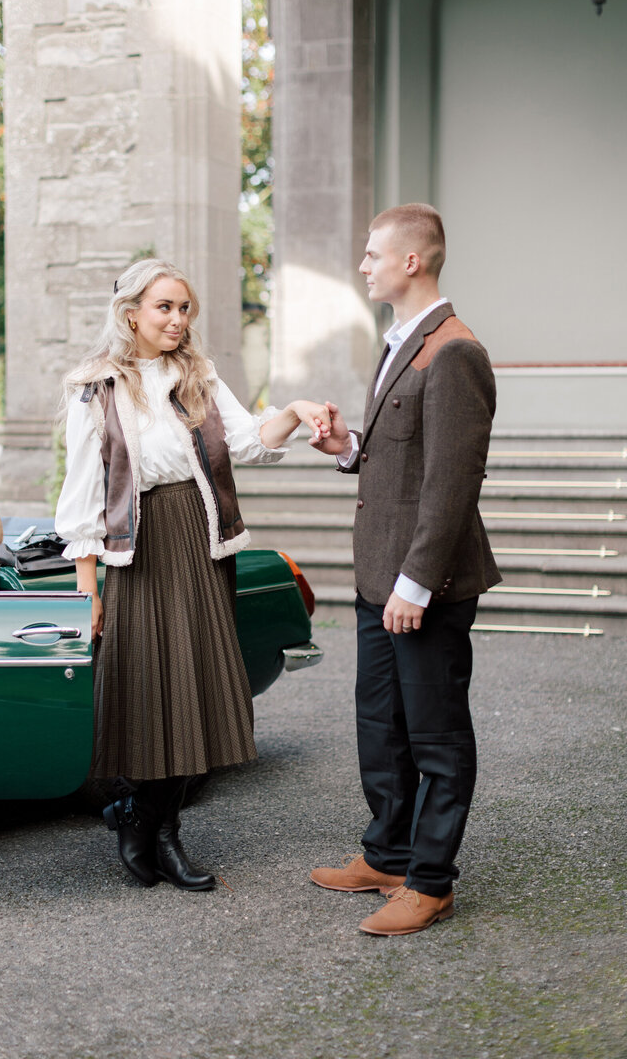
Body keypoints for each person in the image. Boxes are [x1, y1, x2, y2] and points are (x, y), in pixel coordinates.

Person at [55, 258, 332, 892]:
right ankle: (139, 816)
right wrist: (87, 586)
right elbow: (82, 493)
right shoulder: (94, 387)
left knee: (195, 693)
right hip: (137, 549)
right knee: (149, 691)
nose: (178, 320)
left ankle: (159, 828)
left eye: (185, 309)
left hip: (198, 542)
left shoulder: (198, 376)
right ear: (131, 314)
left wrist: (291, 409)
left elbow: (250, 442)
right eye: (165, 308)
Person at [307, 203, 501, 935]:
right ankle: (386, 854)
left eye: (372, 255)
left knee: (436, 734)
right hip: (377, 576)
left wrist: (415, 584)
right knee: (379, 724)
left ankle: (431, 880)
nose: (364, 266)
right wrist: (348, 446)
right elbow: (405, 453)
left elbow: (452, 483)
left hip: (423, 584)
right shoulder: (401, 341)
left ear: (411, 262)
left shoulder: (455, 350)